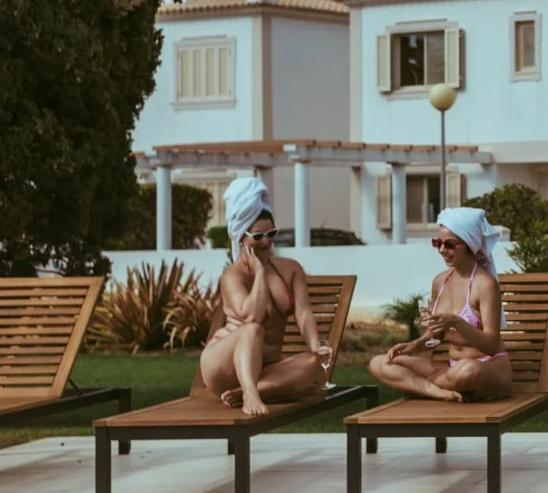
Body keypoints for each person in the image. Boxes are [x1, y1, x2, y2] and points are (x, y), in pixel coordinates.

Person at [198, 178, 334, 417]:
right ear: (241, 236)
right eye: (258, 236)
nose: (267, 242)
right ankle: (250, 393)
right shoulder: (233, 276)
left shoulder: (290, 269)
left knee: (315, 365)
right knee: (252, 330)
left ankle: (249, 391)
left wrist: (315, 345)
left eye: (272, 234)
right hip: (223, 366)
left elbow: (303, 312)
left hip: (265, 368)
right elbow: (252, 315)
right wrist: (260, 272)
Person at [368, 206, 512, 403]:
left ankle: (421, 386)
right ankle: (439, 392)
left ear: (469, 244)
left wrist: (457, 323)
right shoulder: (440, 282)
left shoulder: (484, 284)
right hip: (452, 370)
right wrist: (415, 344)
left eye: (450, 244)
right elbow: (437, 337)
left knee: (467, 370)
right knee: (379, 363)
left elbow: (492, 345)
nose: (442, 250)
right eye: (438, 243)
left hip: (485, 368)